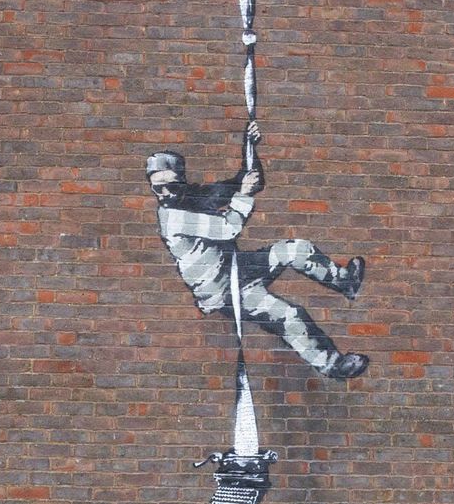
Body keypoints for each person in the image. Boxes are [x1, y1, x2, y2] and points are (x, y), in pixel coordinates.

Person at [146, 149, 370, 380]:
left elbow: (248, 181)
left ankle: (345, 282)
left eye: (171, 186)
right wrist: (244, 193)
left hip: (237, 267)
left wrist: (248, 148)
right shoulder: (172, 217)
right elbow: (228, 227)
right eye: (157, 188)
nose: (164, 194)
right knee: (288, 315)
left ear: (182, 182)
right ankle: (333, 365)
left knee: (296, 249)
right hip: (224, 291)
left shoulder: (193, 196)